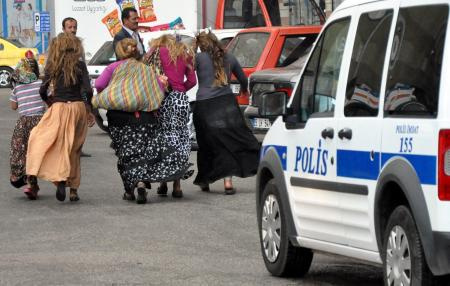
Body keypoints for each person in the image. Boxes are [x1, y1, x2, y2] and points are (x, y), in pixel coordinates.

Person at [95, 38, 168, 204]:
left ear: (119, 51)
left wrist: (115, 91)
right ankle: (141, 180)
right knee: (141, 151)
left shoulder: (113, 68)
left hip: (119, 117)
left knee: (124, 153)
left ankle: (129, 190)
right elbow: (158, 89)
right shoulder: (146, 69)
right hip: (144, 117)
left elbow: (99, 85)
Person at [26, 33, 95, 202]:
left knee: (41, 140)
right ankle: (73, 191)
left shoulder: (53, 65)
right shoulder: (80, 66)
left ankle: (60, 179)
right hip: (78, 108)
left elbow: (42, 90)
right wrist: (89, 109)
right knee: (74, 149)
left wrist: (49, 101)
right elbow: (88, 90)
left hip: (59, 106)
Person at [193, 31, 260, 194]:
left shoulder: (199, 58)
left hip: (204, 104)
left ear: (201, 45)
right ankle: (228, 182)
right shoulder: (230, 57)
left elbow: (187, 73)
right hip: (227, 104)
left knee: (206, 143)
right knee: (229, 140)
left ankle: (205, 179)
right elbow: (244, 79)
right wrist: (244, 90)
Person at [145, 34, 196, 198]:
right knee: (180, 137)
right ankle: (177, 185)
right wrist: (181, 88)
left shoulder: (156, 51)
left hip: (164, 97)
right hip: (180, 99)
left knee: (164, 137)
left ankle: (163, 182)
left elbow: (145, 68)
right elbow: (193, 81)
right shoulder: (184, 53)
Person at [9, 58, 45, 200]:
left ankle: (30, 183)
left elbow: (13, 106)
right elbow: (48, 100)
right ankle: (36, 183)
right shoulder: (41, 84)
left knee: (21, 153)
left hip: (23, 123)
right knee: (37, 153)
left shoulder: (17, 87)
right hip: (40, 122)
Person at [62, 17, 91, 157]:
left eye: (74, 27)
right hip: (65, 89)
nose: (73, 30)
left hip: (79, 88)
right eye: (70, 27)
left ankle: (78, 147)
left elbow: (83, 64)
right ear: (64, 29)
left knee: (80, 119)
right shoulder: (59, 45)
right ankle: (67, 147)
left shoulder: (79, 45)